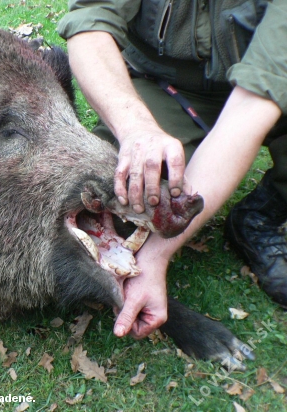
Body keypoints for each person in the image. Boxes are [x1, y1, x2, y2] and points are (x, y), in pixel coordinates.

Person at [57, 0, 287, 340]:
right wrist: (136, 128)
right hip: (168, 87)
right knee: (110, 206)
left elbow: (252, 105)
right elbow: (90, 23)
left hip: (266, 92)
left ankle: (261, 214)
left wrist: (157, 254)